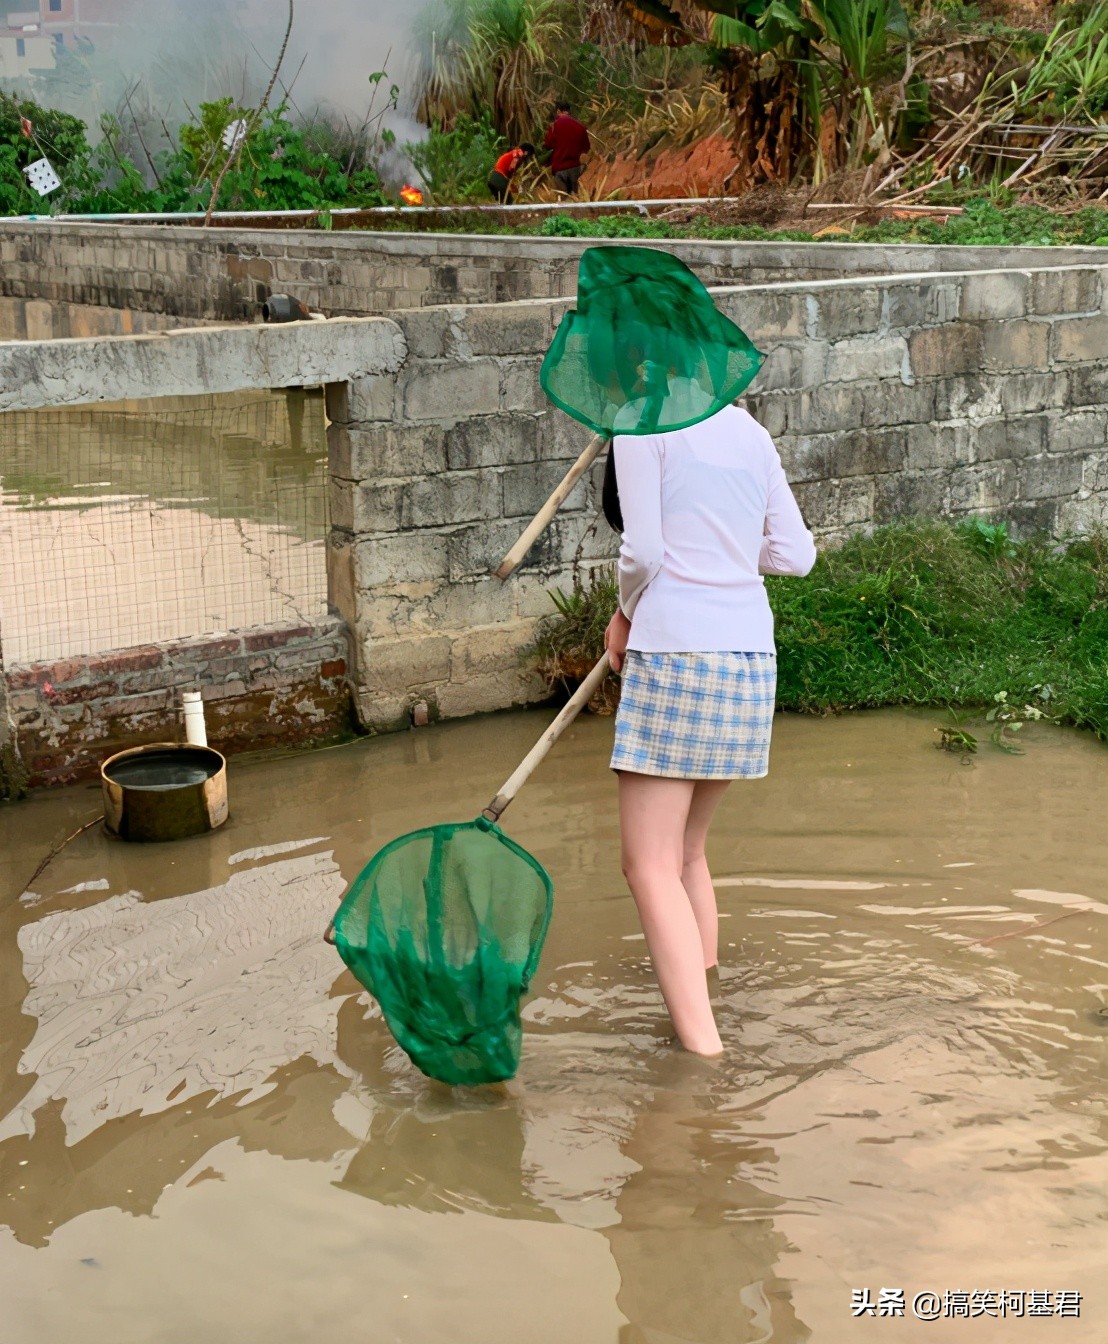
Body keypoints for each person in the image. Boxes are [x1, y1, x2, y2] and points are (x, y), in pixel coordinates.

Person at [539, 246, 816, 1058]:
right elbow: (796, 554)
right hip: (748, 663)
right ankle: (706, 983)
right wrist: (728, 550)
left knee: (646, 865)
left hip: (679, 652)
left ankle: (703, 1055)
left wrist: (623, 616)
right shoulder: (750, 434)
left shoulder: (642, 426)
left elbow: (645, 554)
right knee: (689, 851)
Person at [544, 100, 590, 195]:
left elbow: (547, 145)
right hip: (575, 168)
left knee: (562, 200)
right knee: (575, 198)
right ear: (569, 111)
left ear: (558, 111)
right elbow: (586, 147)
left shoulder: (555, 126)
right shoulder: (580, 126)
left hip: (560, 168)